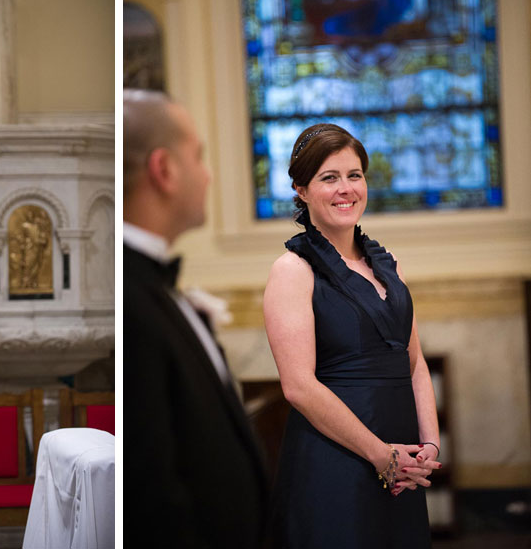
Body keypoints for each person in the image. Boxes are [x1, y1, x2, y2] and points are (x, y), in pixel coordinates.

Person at [263, 123, 442, 548]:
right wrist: (381, 454)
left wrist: (429, 446)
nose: (346, 189)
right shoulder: (292, 271)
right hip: (338, 459)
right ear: (301, 190)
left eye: (354, 175)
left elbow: (413, 364)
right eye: (329, 178)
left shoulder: (389, 263)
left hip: (403, 461)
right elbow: (298, 387)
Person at [123, 89, 268, 548]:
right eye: (198, 157)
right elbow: (152, 487)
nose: (207, 175)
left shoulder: (157, 289)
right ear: (164, 170)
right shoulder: (133, 301)